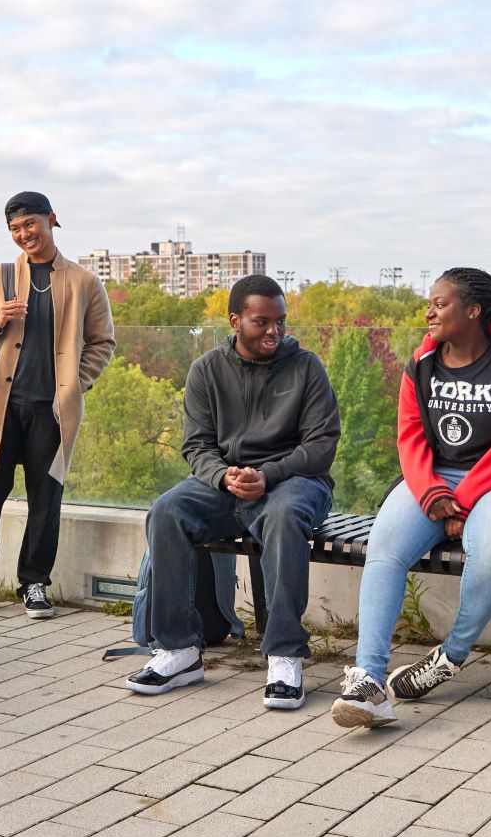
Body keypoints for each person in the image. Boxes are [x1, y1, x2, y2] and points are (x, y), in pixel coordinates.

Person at [332, 268, 491, 731]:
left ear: (472, 310)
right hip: (433, 479)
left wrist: (465, 499)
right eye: (429, 302)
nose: (428, 311)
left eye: (440, 303)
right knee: (385, 546)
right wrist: (432, 491)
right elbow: (410, 434)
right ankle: (368, 681)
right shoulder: (422, 362)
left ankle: (449, 657)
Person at [127, 275, 341, 709]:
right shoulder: (206, 370)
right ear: (235, 320)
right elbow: (197, 445)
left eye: (280, 321)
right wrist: (224, 477)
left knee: (283, 518)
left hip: (296, 482)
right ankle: (180, 651)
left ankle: (284, 654)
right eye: (262, 322)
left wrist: (268, 473)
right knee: (167, 511)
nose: (274, 332)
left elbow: (321, 444)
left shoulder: (306, 367)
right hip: (226, 482)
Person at [0, 192, 116, 619]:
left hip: (52, 411)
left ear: (52, 220)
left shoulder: (84, 282)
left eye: (30, 224)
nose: (23, 234)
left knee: (45, 498)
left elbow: (102, 343)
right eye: (15, 229)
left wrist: (75, 384)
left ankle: (34, 584)